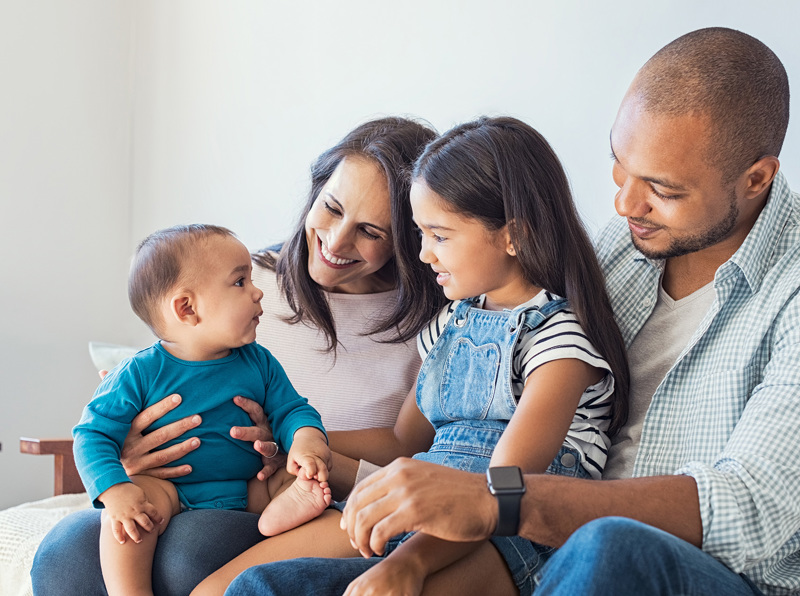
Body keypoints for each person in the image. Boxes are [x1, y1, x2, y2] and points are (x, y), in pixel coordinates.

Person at [227, 28, 799, 595]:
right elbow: (422, 426)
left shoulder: (787, 290)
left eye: (663, 189)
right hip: (530, 534)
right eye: (619, 166)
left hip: (686, 567)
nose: (624, 203)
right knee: (264, 588)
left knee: (608, 545)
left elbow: (750, 507)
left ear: (756, 178)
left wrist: (497, 500)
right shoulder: (625, 247)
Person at [189, 116, 630, 596]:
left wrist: (408, 565)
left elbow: (504, 492)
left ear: (513, 236)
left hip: (504, 535)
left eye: (438, 236)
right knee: (225, 589)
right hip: (418, 503)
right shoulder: (451, 324)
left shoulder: (558, 343)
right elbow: (404, 440)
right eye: (419, 234)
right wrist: (294, 438)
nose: (421, 255)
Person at [32, 117, 444, 595]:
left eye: (371, 231)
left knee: (189, 551)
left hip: (286, 489)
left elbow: (413, 448)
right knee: (66, 551)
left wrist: (297, 444)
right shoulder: (237, 282)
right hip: (175, 482)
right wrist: (126, 457)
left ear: (410, 237)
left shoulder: (434, 325)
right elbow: (120, 410)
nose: (335, 242)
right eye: (330, 208)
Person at [73, 224, 333, 595]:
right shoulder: (140, 371)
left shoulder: (259, 362)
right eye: (240, 282)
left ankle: (279, 515)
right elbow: (91, 434)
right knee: (131, 518)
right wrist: (115, 493)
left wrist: (307, 443)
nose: (258, 291)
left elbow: (292, 410)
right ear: (188, 308)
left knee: (296, 481)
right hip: (171, 489)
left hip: (250, 486)